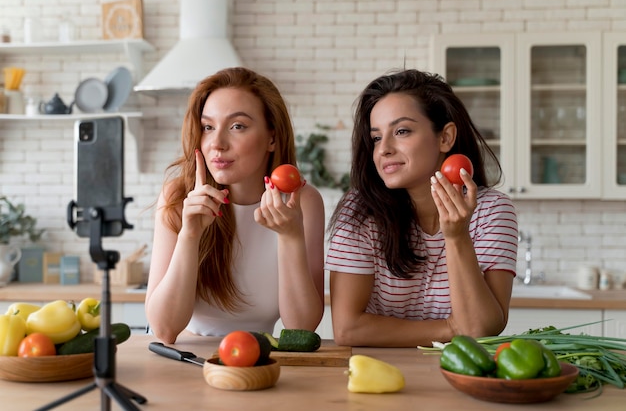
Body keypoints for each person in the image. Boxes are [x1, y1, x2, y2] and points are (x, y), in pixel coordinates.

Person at [325, 69, 518, 348]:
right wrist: (451, 327)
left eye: (402, 131)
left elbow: (481, 328)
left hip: (458, 373)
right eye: (377, 137)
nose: (384, 150)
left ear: (445, 138)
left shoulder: (491, 211)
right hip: (378, 376)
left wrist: (456, 236)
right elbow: (348, 330)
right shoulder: (358, 212)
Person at [146, 67, 325, 344]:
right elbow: (164, 329)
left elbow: (302, 327)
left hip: (260, 356)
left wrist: (290, 236)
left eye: (237, 126)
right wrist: (189, 235)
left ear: (272, 138)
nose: (217, 143)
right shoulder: (179, 196)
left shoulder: (302, 202)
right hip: (186, 357)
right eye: (208, 127)